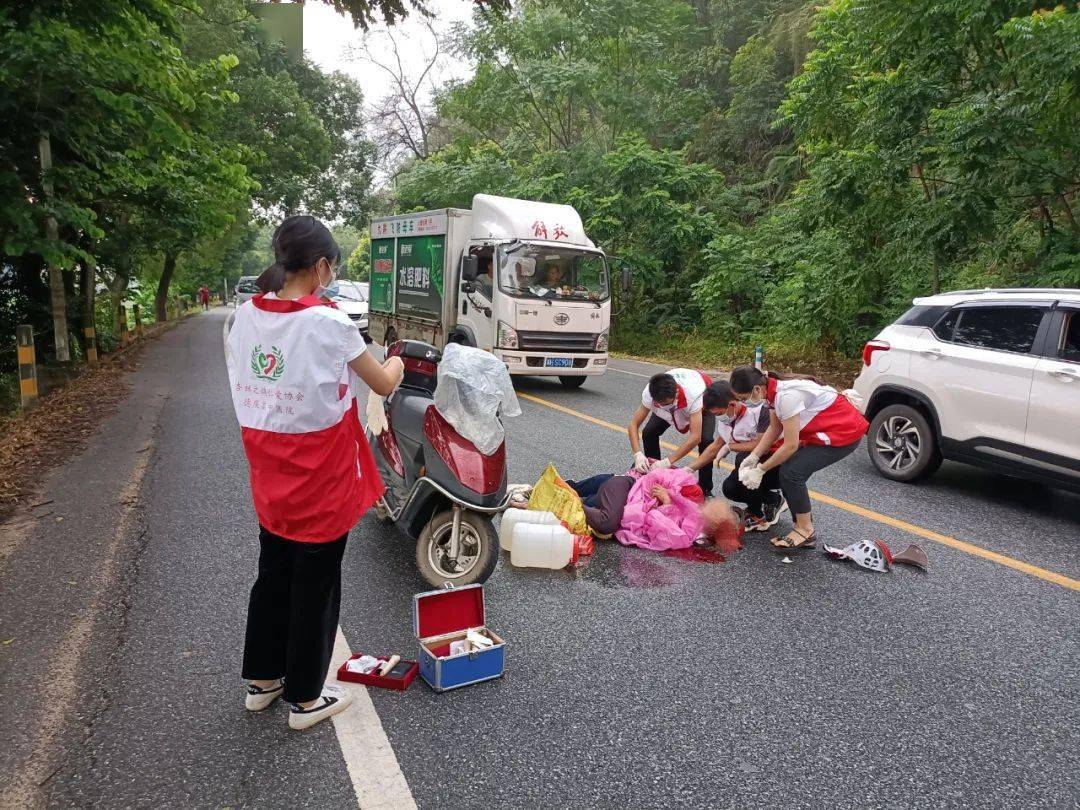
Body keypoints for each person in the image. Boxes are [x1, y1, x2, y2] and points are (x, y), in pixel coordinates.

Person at [226, 215, 404, 731]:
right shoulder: (329, 323)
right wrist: (394, 359)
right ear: (322, 267)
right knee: (316, 583)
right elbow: (383, 384)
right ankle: (305, 697)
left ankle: (263, 682)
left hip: (269, 468)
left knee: (274, 572)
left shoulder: (245, 315)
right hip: (319, 472)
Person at [729, 365, 868, 550]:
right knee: (788, 470)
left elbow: (790, 445)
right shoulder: (771, 392)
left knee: (792, 472)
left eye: (744, 399)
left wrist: (761, 470)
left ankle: (805, 530)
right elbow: (775, 428)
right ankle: (801, 523)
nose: (745, 403)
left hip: (843, 432)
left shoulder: (785, 397)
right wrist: (754, 456)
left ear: (756, 389)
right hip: (825, 428)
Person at [689, 381, 786, 532]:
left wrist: (730, 446)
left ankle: (757, 516)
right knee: (730, 488)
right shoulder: (727, 418)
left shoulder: (759, 412)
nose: (718, 418)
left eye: (719, 413)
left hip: (777, 463)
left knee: (742, 460)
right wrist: (688, 469)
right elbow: (715, 446)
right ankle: (773, 499)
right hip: (754, 463)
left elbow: (762, 445)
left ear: (732, 404)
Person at [627, 369, 716, 495]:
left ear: (677, 392)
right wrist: (637, 454)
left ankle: (705, 489)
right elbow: (633, 424)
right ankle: (654, 472)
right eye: (662, 404)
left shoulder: (694, 394)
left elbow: (695, 437)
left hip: (700, 399)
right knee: (649, 432)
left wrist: (668, 461)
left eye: (668, 403)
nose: (667, 406)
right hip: (670, 401)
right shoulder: (650, 393)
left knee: (706, 440)